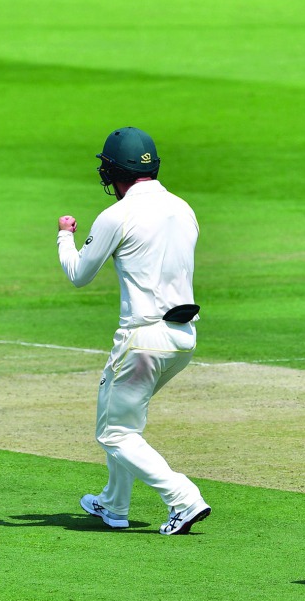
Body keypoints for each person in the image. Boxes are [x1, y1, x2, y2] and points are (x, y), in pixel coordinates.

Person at [57, 127, 212, 536]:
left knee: (114, 432)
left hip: (143, 339)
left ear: (112, 170)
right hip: (183, 338)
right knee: (124, 423)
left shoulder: (116, 215)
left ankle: (184, 498)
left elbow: (78, 274)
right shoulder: (184, 207)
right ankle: (113, 505)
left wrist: (64, 236)